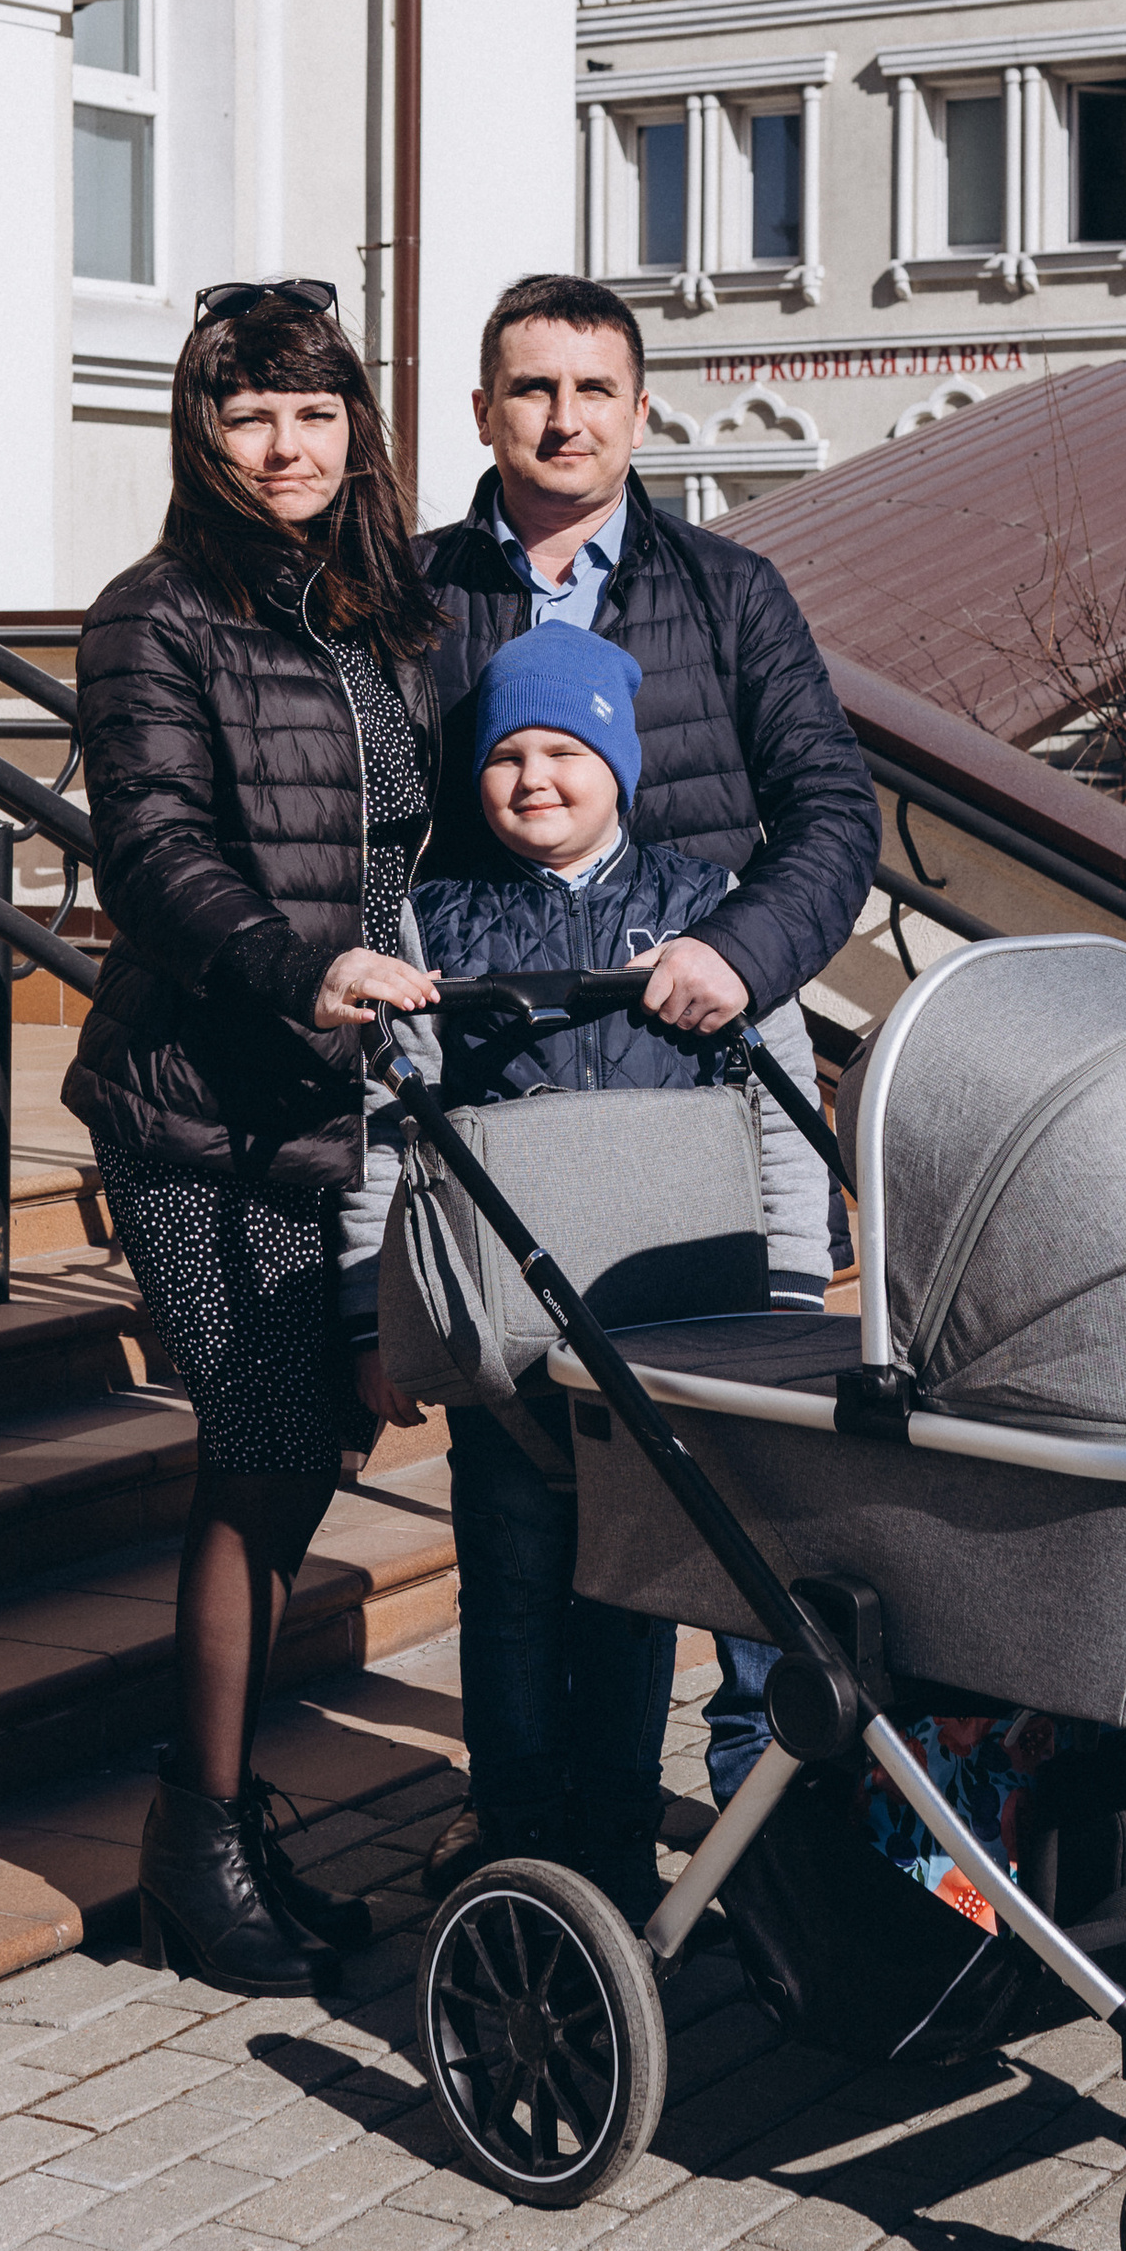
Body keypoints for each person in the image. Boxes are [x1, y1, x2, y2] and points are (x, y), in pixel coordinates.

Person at [410, 270, 880, 1825]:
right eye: (531, 390)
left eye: (592, 389)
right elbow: (378, 845)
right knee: (530, 1533)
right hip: (513, 1133)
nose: (562, 416)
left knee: (723, 1501)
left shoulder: (728, 590)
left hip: (693, 1112)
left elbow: (830, 815)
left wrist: (739, 958)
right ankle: (538, 1840)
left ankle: (750, 1830)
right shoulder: (411, 597)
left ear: (639, 409)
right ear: (484, 412)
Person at [64, 279, 443, 1996]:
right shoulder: (155, 617)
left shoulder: (382, 612)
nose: (285, 444)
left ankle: (218, 1811)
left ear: (352, 423)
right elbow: (149, 850)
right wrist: (307, 965)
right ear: (202, 433)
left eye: (311, 409)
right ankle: (195, 1843)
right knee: (265, 1437)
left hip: (354, 1090)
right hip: (207, 1102)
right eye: (248, 413)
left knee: (312, 1444)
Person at [340, 622, 831, 1919]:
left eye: (567, 749)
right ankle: (513, 1837)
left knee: (632, 1594)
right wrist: (373, 1315)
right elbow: (387, 1130)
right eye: (509, 753)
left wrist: (789, 1287)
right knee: (507, 1581)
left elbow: (776, 1112)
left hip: (668, 1341)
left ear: (620, 760)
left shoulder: (706, 916)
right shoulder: (432, 920)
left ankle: (611, 1843)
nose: (536, 777)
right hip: (502, 1343)